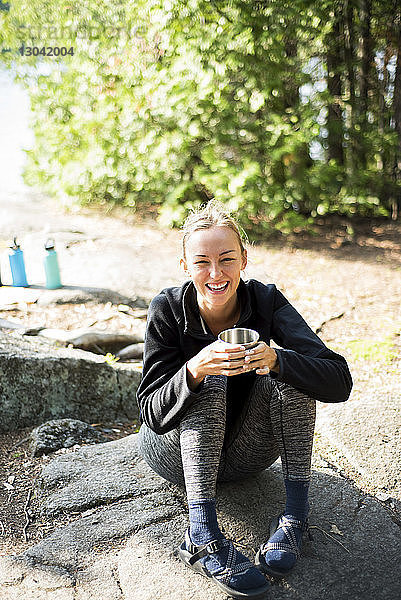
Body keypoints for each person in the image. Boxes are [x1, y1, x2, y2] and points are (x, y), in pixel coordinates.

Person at [136, 200, 352, 599]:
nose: (215, 273)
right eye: (201, 262)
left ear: (244, 260)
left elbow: (339, 380)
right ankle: (200, 533)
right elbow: (151, 412)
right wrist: (195, 370)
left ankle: (295, 517)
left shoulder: (265, 300)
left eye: (227, 259)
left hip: (248, 455)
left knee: (291, 372)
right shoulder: (167, 308)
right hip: (175, 453)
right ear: (185, 266)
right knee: (211, 376)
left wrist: (277, 359)